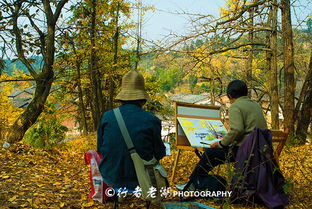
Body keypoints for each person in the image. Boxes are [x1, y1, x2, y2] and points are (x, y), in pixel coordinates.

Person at [181, 79, 267, 190]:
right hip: (260, 149)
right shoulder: (255, 104)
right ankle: (195, 181)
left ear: (229, 95)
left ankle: (194, 182)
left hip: (245, 151)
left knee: (211, 153)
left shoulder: (236, 106)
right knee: (214, 154)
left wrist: (221, 144)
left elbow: (237, 130)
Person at [97, 69, 166, 190]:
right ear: (142, 99)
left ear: (122, 97)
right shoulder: (152, 120)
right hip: (141, 178)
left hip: (111, 176)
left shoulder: (107, 116)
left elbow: (100, 148)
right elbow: (159, 153)